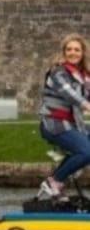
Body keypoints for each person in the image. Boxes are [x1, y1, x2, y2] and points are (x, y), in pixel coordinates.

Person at [38, 33, 90, 199]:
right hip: (54, 124)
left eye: (77, 49)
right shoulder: (58, 73)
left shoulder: (84, 76)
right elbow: (70, 95)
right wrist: (87, 105)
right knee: (86, 152)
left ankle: (63, 176)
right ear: (64, 52)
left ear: (82, 53)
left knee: (84, 152)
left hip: (73, 125)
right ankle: (55, 181)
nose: (73, 53)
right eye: (69, 49)